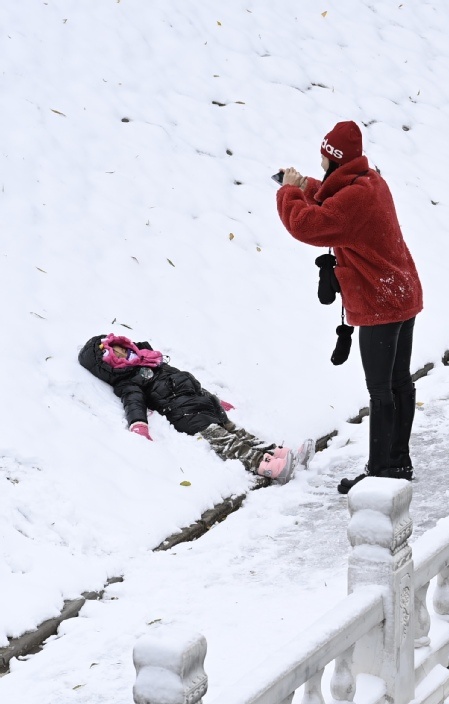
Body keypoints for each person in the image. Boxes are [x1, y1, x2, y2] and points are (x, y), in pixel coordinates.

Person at [276, 120, 423, 495]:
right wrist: (306, 185)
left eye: (324, 160)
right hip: (401, 292)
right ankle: (398, 462)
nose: (321, 166)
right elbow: (333, 197)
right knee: (399, 381)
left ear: (334, 160)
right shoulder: (368, 180)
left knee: (381, 389)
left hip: (381, 302)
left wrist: (290, 194)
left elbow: (310, 225)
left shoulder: (355, 200)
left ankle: (380, 472)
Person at [78, 334, 312, 484]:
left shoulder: (153, 362)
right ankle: (265, 465)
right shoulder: (129, 380)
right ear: (110, 365)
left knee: (236, 431)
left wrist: (216, 401)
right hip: (184, 415)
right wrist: (138, 424)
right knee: (224, 440)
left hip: (203, 404)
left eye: (121, 348)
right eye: (115, 354)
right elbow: (133, 401)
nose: (123, 353)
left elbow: (189, 383)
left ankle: (277, 452)